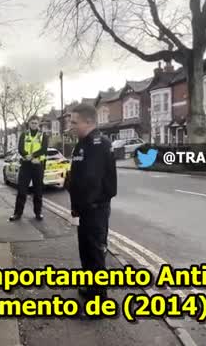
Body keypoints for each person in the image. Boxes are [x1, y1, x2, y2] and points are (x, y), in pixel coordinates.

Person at [67, 103, 117, 309]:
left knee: (95, 256)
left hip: (95, 210)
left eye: (74, 122)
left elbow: (92, 181)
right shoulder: (83, 143)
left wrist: (84, 205)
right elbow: (79, 175)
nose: (71, 126)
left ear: (88, 122)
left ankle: (98, 305)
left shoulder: (98, 144)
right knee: (86, 252)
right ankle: (90, 289)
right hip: (85, 209)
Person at [9, 115, 49, 221]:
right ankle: (17, 213)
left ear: (38, 124)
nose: (34, 125)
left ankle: (38, 213)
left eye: (36, 123)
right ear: (29, 123)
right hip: (26, 166)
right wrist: (28, 156)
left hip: (37, 165)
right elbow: (20, 148)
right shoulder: (24, 134)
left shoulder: (43, 135)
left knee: (38, 191)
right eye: (32, 123)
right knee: (22, 190)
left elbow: (44, 149)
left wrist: (32, 155)